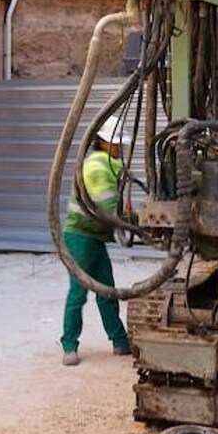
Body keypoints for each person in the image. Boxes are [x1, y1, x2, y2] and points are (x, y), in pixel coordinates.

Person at [60, 120, 132, 365]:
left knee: (106, 291)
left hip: (95, 237)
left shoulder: (112, 165)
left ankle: (120, 342)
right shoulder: (96, 165)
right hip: (80, 235)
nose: (119, 148)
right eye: (116, 143)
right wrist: (135, 221)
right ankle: (69, 345)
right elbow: (108, 205)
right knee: (78, 292)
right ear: (103, 142)